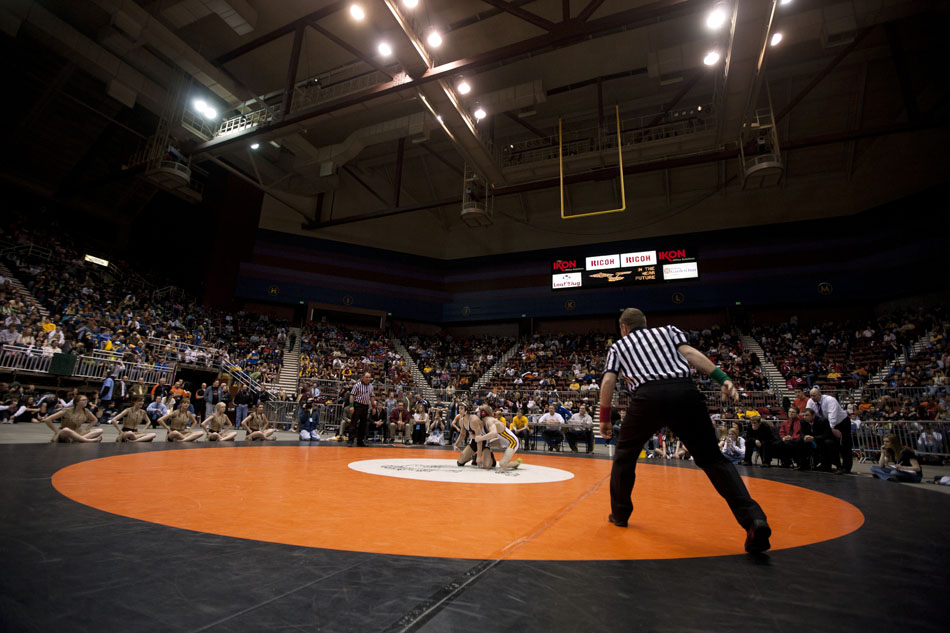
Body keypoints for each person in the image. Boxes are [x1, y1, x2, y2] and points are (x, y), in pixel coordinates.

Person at [599, 308, 771, 553]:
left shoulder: (619, 345)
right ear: (646, 324)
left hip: (647, 396)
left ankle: (620, 514)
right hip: (684, 393)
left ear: (623, 328)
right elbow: (690, 354)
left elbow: (608, 380)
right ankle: (754, 519)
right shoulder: (669, 331)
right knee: (713, 459)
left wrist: (605, 418)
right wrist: (722, 377)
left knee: (625, 456)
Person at [806, 386, 853, 474]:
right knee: (824, 443)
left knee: (844, 445)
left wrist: (827, 431)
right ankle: (825, 464)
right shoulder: (810, 401)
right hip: (825, 423)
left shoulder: (830, 400)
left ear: (820, 394)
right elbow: (808, 413)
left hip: (841, 422)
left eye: (814, 396)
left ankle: (846, 467)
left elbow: (832, 418)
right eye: (811, 396)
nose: (812, 398)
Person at [473, 405, 522, 470]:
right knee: (488, 444)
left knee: (502, 464)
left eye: (478, 412)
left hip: (512, 442)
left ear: (483, 413)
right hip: (502, 440)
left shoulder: (489, 420)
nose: (477, 414)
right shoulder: (484, 422)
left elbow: (494, 433)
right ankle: (490, 458)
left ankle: (516, 463)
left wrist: (480, 438)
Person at [348, 372, 372, 447]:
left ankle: (360, 441)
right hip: (358, 405)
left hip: (365, 406)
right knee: (354, 423)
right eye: (367, 377)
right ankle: (350, 440)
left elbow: (372, 396)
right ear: (363, 377)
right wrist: (351, 406)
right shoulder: (357, 385)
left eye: (369, 377)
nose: (368, 379)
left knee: (363, 425)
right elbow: (352, 395)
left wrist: (373, 407)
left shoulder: (371, 386)